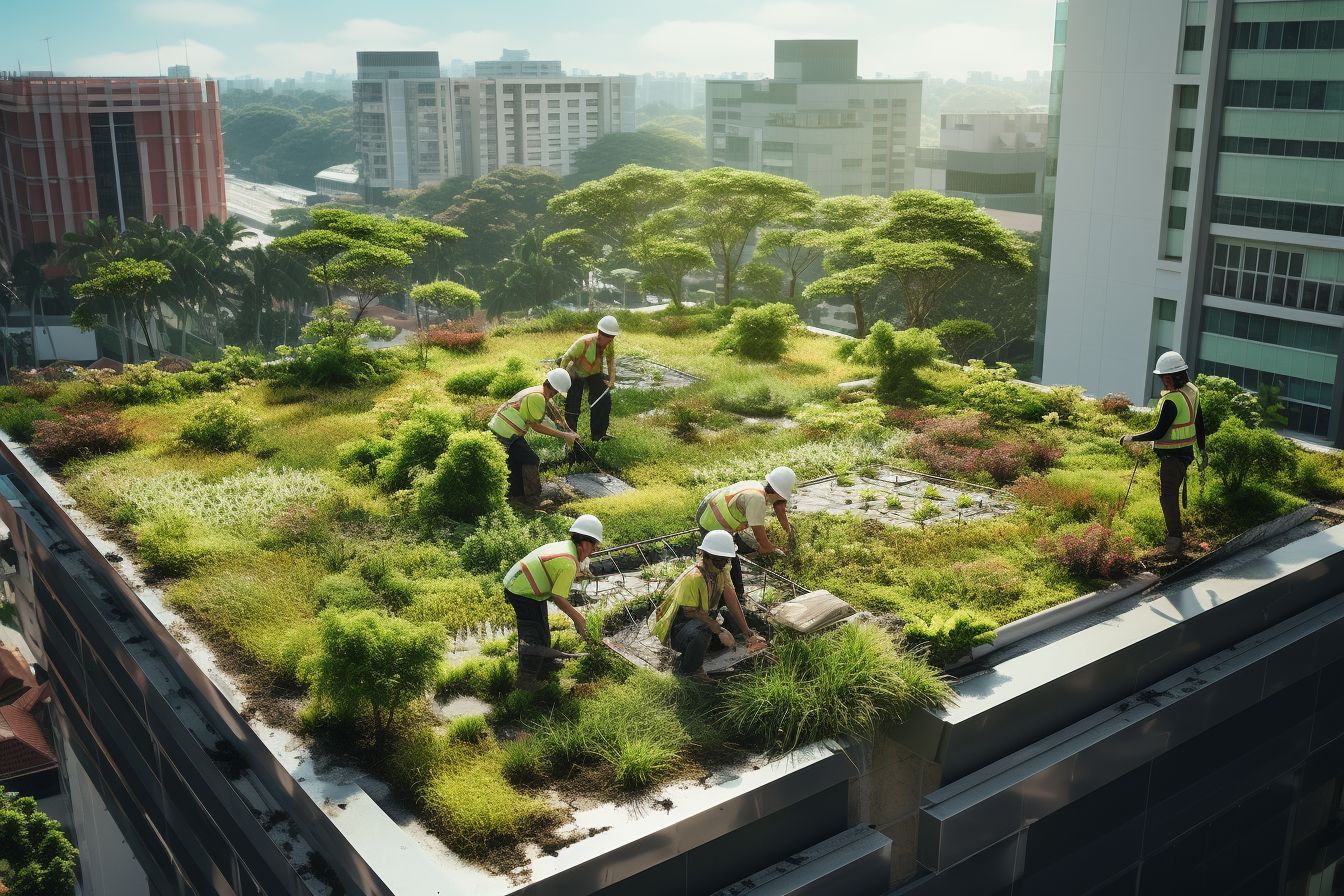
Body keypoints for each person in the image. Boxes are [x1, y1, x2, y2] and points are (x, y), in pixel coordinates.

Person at [503, 514, 603, 689]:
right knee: (532, 634)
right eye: (594, 546)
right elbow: (558, 598)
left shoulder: (568, 549)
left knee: (542, 628)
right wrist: (579, 620)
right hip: (521, 591)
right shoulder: (568, 562)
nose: (593, 551)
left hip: (529, 588)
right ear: (585, 543)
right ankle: (526, 680)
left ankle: (544, 665)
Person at [1121, 351, 1207, 555]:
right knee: (1171, 493)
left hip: (1172, 456)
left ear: (1170, 377)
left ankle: (1175, 538)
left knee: (1168, 496)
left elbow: (1159, 432)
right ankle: (1176, 535)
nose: (1163, 382)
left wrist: (1131, 438)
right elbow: (1199, 422)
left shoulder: (1172, 400)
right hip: (1186, 453)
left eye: (1163, 378)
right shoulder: (1192, 391)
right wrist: (1202, 450)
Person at [652, 530, 767, 682]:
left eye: (725, 560)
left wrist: (748, 633)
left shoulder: (720, 572)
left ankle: (736, 643)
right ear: (706, 556)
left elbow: (731, 599)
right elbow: (690, 612)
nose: (723, 565)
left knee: (729, 615)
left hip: (702, 621)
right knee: (703, 629)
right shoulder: (694, 578)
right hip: (680, 630)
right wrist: (719, 629)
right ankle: (691, 671)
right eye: (719, 561)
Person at [695, 467, 796, 598]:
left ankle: (730, 591)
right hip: (710, 519)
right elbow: (761, 539)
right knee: (727, 560)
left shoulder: (760, 487)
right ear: (779, 493)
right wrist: (772, 549)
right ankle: (734, 595)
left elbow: (780, 510)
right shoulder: (757, 499)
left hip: (710, 504)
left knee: (739, 547)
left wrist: (789, 534)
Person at [487, 368, 577, 506]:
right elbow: (536, 426)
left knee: (516, 462)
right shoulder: (537, 397)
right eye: (555, 392)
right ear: (552, 388)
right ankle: (533, 499)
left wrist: (568, 430)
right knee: (531, 460)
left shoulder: (539, 391)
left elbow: (553, 411)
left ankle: (516, 496)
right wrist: (564, 435)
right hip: (506, 432)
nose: (554, 395)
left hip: (501, 428)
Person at [560, 315, 619, 442]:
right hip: (576, 373)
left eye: (612, 338)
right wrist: (561, 378)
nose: (608, 342)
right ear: (600, 333)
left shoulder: (609, 343)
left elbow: (610, 360)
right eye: (607, 338)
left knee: (604, 400)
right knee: (573, 405)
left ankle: (599, 435)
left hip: (594, 373)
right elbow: (566, 358)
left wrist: (611, 380)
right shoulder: (584, 342)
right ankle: (571, 435)